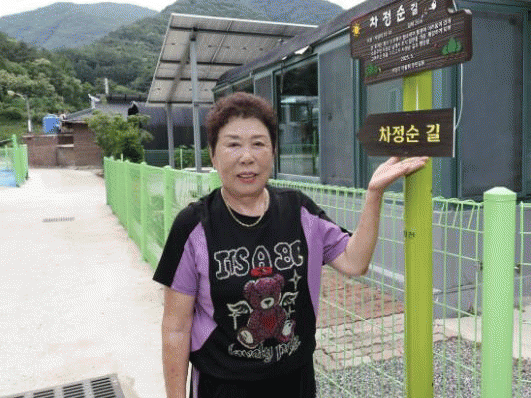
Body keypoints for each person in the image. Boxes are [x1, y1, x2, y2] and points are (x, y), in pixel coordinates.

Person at [153, 92, 428, 398]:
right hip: (223, 386)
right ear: (213, 155)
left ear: (273, 152)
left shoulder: (298, 211)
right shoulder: (193, 227)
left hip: (295, 381)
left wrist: (374, 195)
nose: (247, 157)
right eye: (233, 144)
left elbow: (355, 262)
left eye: (258, 144)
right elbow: (176, 328)